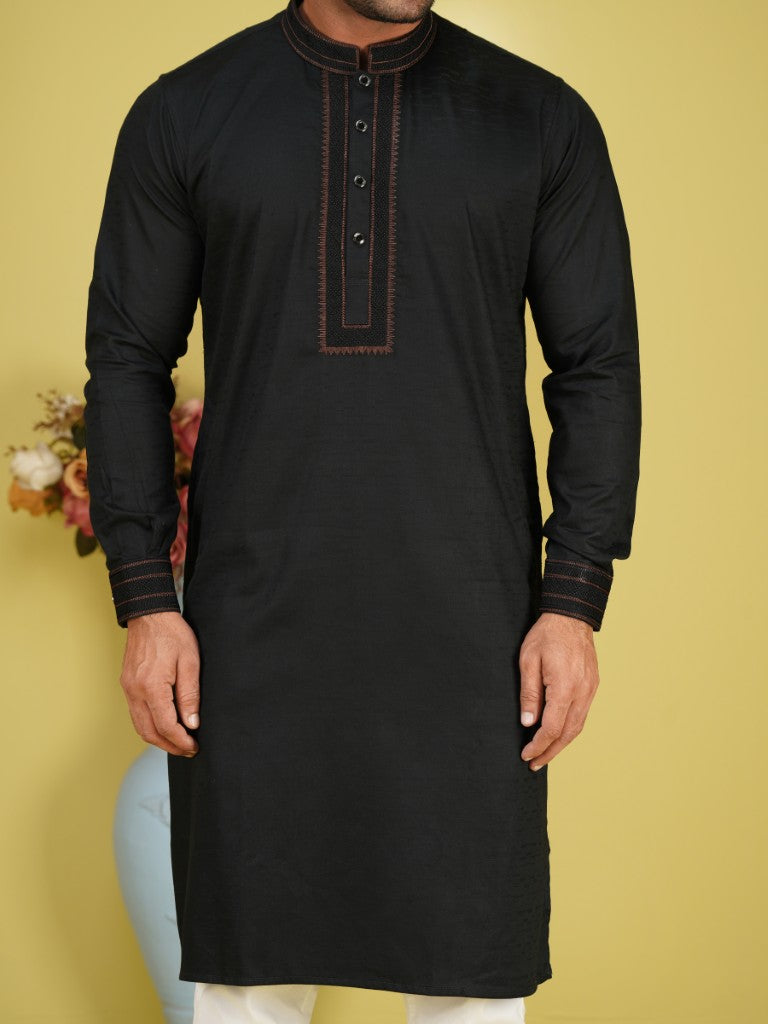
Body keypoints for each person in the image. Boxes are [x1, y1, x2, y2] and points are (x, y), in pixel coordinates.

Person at [82, 1, 642, 1022]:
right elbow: (126, 361)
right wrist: (145, 596)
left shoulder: (538, 118)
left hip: (471, 626)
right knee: (246, 983)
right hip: (250, 624)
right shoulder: (188, 113)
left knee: (471, 982)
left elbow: (597, 367)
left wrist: (573, 598)